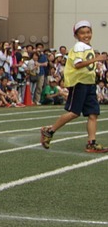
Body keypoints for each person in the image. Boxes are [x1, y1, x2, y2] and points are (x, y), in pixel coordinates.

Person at [40, 20, 108, 153]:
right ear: (76, 35)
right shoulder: (79, 47)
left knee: (93, 113)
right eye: (82, 33)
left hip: (89, 83)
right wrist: (96, 59)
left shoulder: (87, 47)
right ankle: (49, 130)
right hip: (80, 83)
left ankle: (91, 143)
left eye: (88, 32)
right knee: (74, 113)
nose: (86, 35)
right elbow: (78, 64)